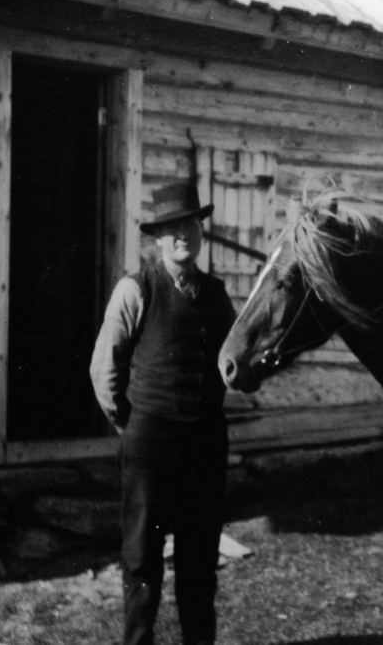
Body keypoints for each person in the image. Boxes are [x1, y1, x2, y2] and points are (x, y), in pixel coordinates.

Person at [90, 182, 236, 645]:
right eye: (172, 229)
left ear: (200, 231)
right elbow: (104, 368)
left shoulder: (216, 294)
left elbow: (233, 361)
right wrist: (131, 424)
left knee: (199, 554)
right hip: (151, 441)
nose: (183, 236)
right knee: (142, 556)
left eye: (190, 225)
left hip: (206, 442)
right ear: (158, 238)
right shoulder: (136, 289)